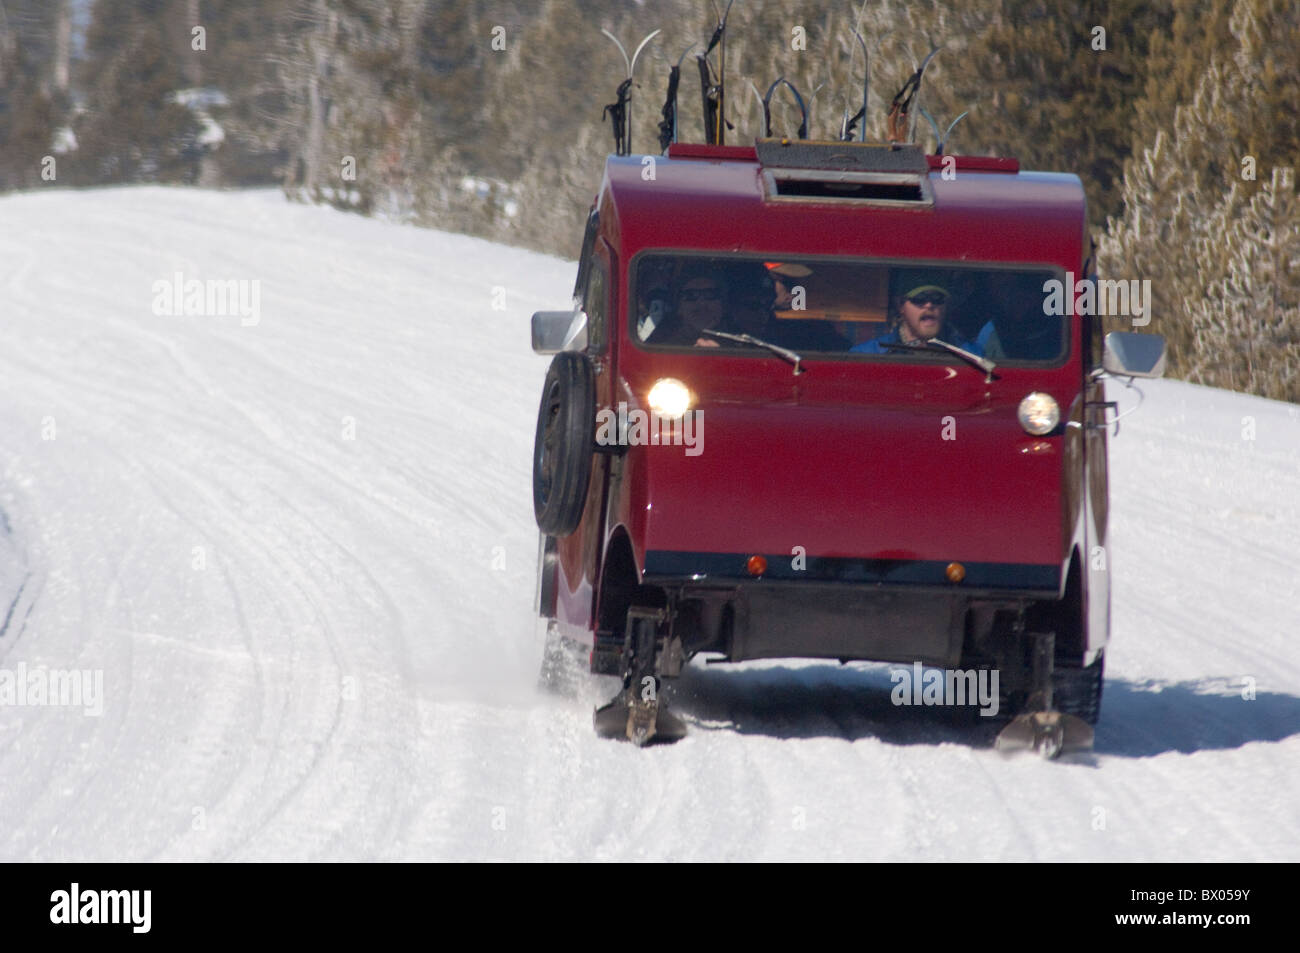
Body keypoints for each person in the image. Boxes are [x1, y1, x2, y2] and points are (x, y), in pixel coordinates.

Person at [720, 262, 848, 351]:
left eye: (795, 284)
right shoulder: (716, 331)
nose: (794, 292)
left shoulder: (809, 331)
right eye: (786, 282)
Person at [851, 272, 982, 354]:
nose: (929, 305)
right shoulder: (867, 355)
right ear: (900, 305)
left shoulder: (971, 356)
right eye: (919, 299)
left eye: (937, 298)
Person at [644, 264, 726, 347]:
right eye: (691, 295)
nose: (702, 303)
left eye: (710, 294)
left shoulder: (737, 342)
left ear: (722, 304)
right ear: (679, 307)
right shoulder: (660, 344)